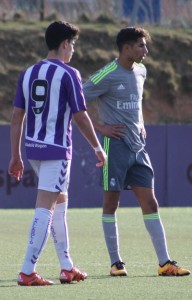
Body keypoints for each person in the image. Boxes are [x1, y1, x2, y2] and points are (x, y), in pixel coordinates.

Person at [83, 27, 191, 277]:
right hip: (115, 146)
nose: (146, 51)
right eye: (142, 46)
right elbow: (77, 99)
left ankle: (165, 263)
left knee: (151, 203)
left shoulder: (141, 71)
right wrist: (100, 127)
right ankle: (115, 263)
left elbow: (137, 101)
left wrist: (140, 123)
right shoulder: (107, 73)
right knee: (111, 203)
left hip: (138, 148)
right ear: (127, 48)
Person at [8, 20, 107, 286]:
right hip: (57, 151)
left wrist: (15, 155)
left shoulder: (28, 73)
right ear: (65, 44)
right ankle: (27, 270)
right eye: (72, 44)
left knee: (60, 203)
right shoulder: (69, 74)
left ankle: (66, 266)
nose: (73, 50)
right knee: (46, 208)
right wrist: (98, 148)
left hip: (33, 150)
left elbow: (17, 116)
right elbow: (81, 116)